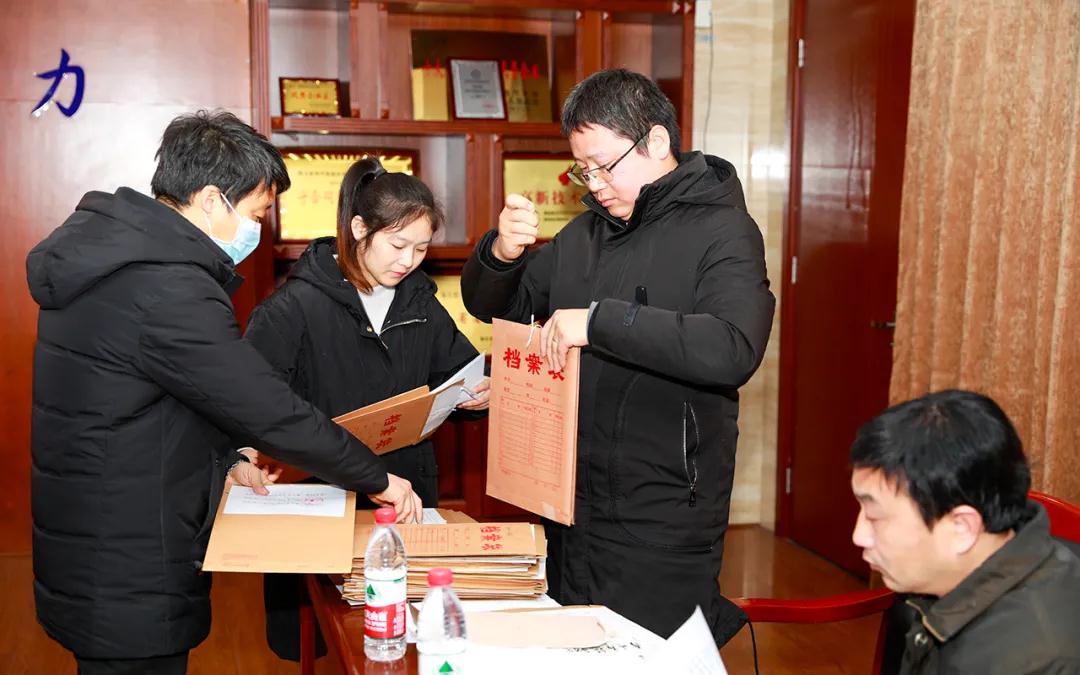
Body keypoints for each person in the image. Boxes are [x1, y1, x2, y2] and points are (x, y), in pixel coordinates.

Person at [26, 110, 422, 675]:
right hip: (129, 554)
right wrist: (375, 477)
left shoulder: (113, 258)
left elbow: (160, 396)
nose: (257, 230)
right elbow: (266, 408)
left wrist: (228, 458)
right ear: (212, 200)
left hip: (98, 532)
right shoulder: (167, 286)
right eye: (256, 213)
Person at [460, 69, 776, 643]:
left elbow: (732, 347)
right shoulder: (585, 236)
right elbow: (496, 307)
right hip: (570, 503)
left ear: (656, 141)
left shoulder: (725, 231)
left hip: (662, 513)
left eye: (604, 165)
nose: (595, 183)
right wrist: (502, 253)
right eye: (583, 169)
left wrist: (598, 322)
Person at [244, 157, 488, 661]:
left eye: (421, 248)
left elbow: (457, 370)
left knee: (398, 635)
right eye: (398, 245)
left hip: (404, 491)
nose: (409, 260)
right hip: (318, 495)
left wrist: (476, 396)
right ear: (359, 228)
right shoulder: (293, 307)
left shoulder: (420, 303)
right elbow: (251, 405)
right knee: (320, 637)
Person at [850, 389, 1080, 674]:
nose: (858, 536)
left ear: (962, 527)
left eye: (875, 517)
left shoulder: (1035, 660)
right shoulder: (951, 573)